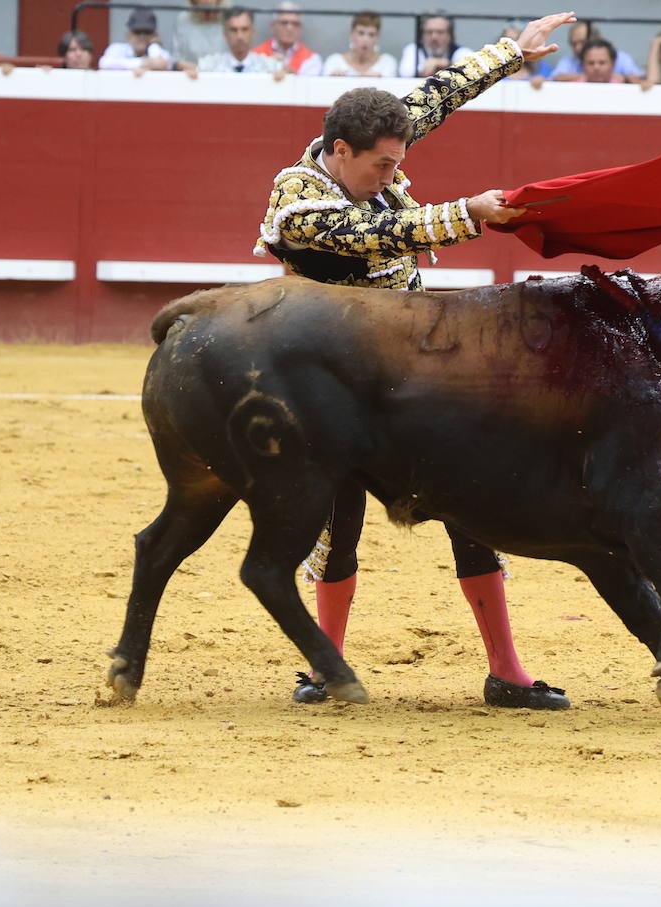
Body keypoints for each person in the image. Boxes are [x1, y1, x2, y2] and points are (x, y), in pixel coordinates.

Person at [252, 11, 578, 712]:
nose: (394, 174)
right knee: (336, 523)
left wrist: (510, 54)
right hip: (330, 384)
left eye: (398, 162)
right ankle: (324, 668)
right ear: (340, 151)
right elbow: (383, 230)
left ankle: (507, 672)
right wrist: (471, 212)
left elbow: (432, 98)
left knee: (472, 506)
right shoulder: (298, 202)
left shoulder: (370, 149)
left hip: (410, 373)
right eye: (383, 165)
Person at [194, 7, 284, 76]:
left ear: (253, 32)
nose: (239, 36)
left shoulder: (270, 67)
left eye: (244, 30)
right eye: (233, 30)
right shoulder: (208, 66)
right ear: (225, 34)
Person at [549, 19, 641, 81]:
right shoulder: (569, 60)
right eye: (574, 44)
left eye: (582, 42)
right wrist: (588, 77)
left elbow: (641, 79)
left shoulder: (621, 58)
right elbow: (555, 78)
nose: (577, 48)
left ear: (597, 39)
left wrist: (621, 79)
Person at [322, 10, 397, 78]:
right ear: (351, 34)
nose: (365, 39)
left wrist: (381, 80)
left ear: (377, 38)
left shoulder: (387, 62)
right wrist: (332, 80)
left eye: (371, 34)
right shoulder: (334, 61)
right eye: (361, 33)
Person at [253, 1, 320, 76]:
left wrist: (289, 72)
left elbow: (308, 85)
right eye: (284, 23)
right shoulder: (256, 54)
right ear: (273, 26)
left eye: (295, 24)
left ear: (300, 28)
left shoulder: (311, 59)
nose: (289, 28)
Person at [397, 10, 471, 78]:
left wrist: (447, 64)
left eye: (440, 32)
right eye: (429, 32)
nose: (434, 37)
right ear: (422, 35)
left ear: (450, 35)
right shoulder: (414, 49)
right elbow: (405, 73)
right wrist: (424, 68)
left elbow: (472, 71)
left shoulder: (461, 51)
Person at [99, 8, 172, 73]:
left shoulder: (159, 52)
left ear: (154, 35)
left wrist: (154, 45)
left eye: (147, 32)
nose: (142, 36)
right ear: (128, 34)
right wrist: (142, 63)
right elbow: (104, 63)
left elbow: (162, 63)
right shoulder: (116, 48)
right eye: (137, 31)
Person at [172, 0, 227, 65]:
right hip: (192, 73)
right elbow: (177, 58)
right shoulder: (183, 20)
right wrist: (181, 65)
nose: (207, 1)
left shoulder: (229, 19)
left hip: (223, 72)